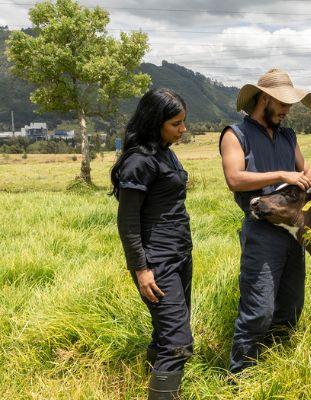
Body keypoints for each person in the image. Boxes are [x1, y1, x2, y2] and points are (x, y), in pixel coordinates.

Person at [220, 68, 311, 374]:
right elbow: (235, 178)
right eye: (282, 104)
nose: (287, 111)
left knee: (291, 307)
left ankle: (273, 366)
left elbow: (306, 171)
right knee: (258, 310)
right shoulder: (235, 135)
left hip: (294, 232)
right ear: (264, 98)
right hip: (262, 230)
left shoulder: (288, 136)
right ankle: (240, 376)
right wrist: (281, 174)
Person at [111, 88, 193, 399]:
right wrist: (141, 270)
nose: (182, 129)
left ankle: (158, 387)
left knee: (167, 332)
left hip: (180, 254)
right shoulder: (139, 161)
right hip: (156, 262)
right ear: (154, 121)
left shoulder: (165, 151)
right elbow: (127, 221)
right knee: (178, 341)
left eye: (183, 122)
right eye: (176, 123)